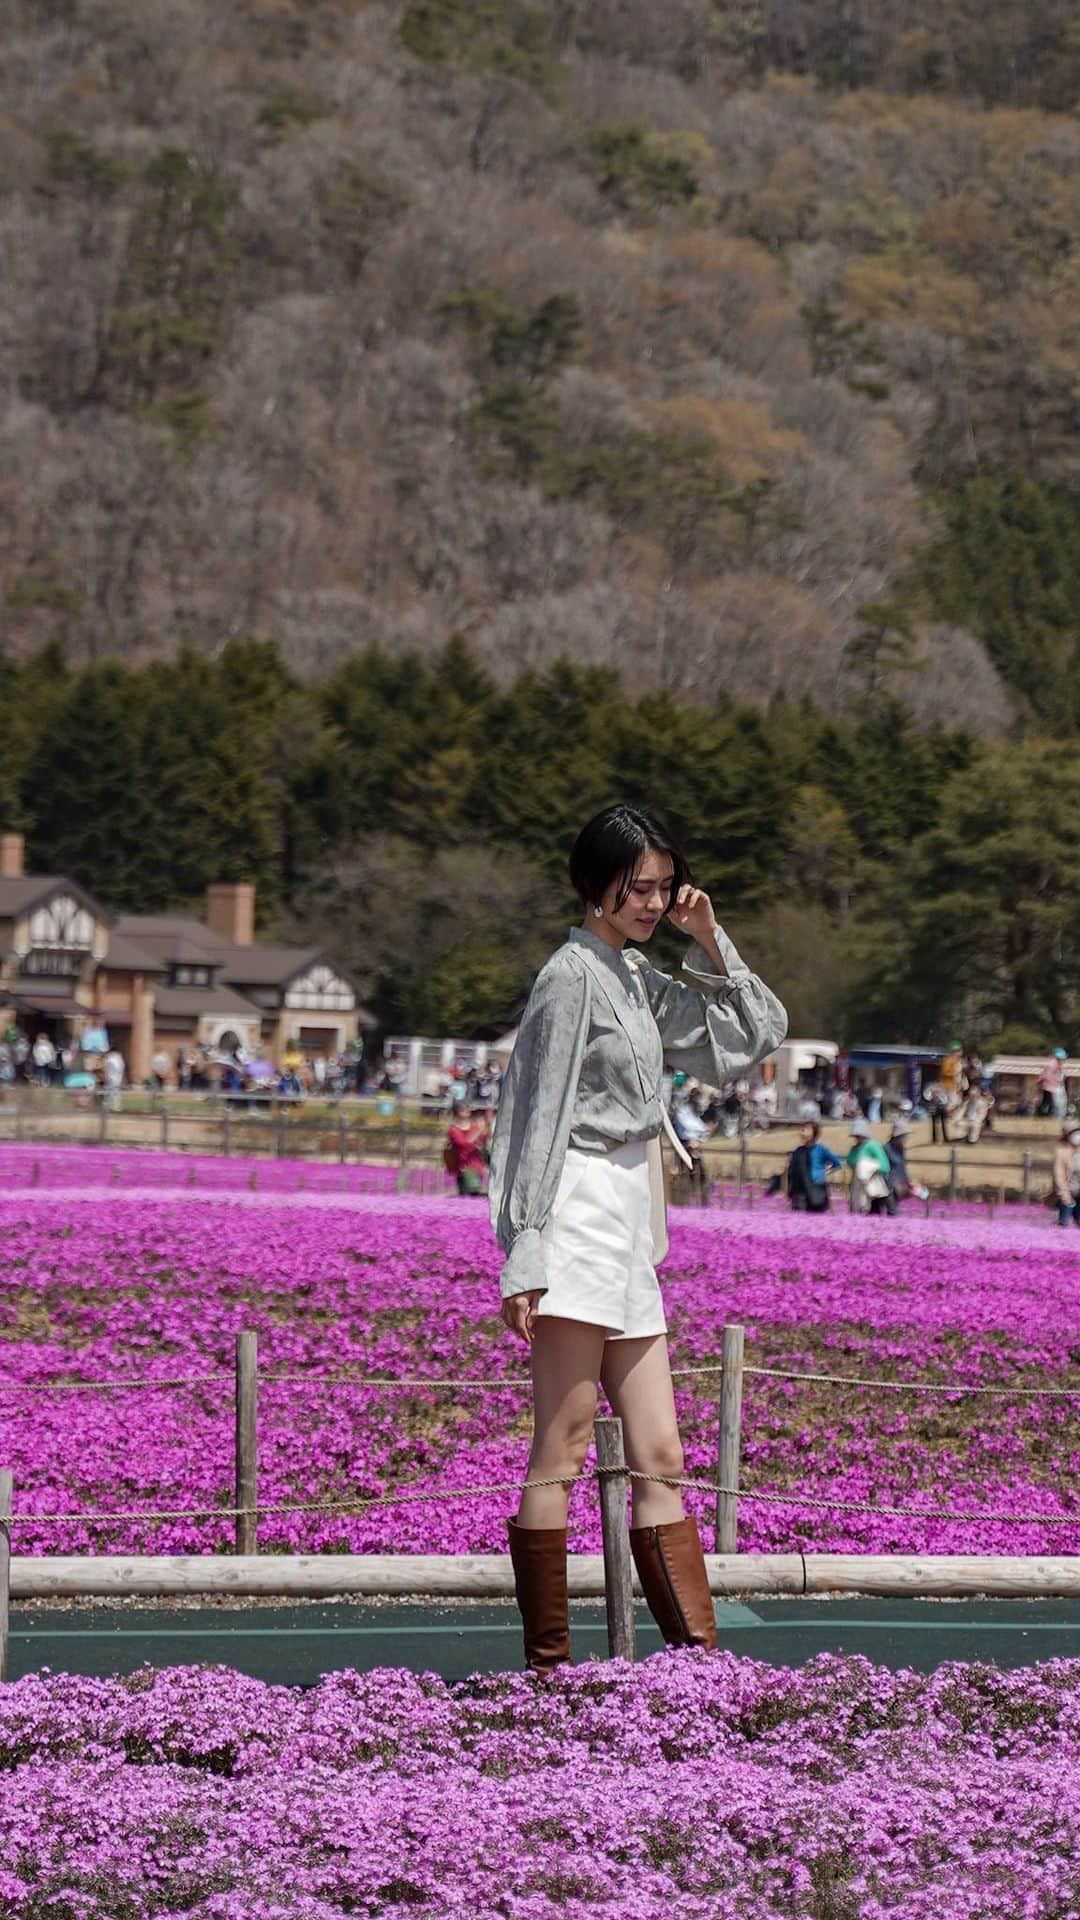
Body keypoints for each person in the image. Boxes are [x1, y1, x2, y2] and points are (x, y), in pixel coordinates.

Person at [489, 801, 787, 1673]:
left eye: (662, 888)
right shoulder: (570, 976)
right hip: (577, 1204)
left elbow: (752, 1035)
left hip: (627, 1211)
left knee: (661, 1451)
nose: (652, 903)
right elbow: (535, 1117)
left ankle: (697, 1671)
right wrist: (527, 1247)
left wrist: (710, 936)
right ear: (594, 883)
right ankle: (548, 1669)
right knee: (567, 1443)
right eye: (636, 888)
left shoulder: (634, 973)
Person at [786, 1121, 842, 1212]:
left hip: (816, 1189)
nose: (803, 1132)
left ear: (814, 1133)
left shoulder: (821, 1149)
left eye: (807, 1129)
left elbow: (837, 1162)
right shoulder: (798, 1151)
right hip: (800, 1190)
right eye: (803, 1129)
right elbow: (792, 1171)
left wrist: (825, 1172)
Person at [846, 1117, 896, 1216]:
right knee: (859, 1209)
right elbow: (849, 1161)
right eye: (856, 1135)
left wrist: (868, 1168)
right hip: (858, 1186)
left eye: (859, 1135)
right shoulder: (855, 1148)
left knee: (873, 1212)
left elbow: (885, 1166)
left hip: (872, 1186)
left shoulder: (873, 1145)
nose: (857, 1138)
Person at [445, 1100, 490, 1197]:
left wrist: (485, 1128)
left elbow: (483, 1140)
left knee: (474, 1194)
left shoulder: (474, 1126)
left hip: (477, 1165)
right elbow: (463, 1144)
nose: (467, 1112)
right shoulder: (453, 1129)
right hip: (464, 1167)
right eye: (464, 1110)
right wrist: (479, 1130)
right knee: (468, 1193)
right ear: (457, 1112)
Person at [884, 1116, 928, 1203]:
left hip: (901, 1184)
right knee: (892, 1212)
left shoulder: (901, 1149)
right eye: (904, 1136)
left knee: (923, 1192)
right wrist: (893, 1181)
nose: (906, 1139)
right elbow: (884, 1169)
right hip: (889, 1186)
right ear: (897, 1136)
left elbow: (902, 1168)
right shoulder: (886, 1149)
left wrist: (910, 1181)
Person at [1051, 1125, 1080, 1227]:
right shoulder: (1061, 1151)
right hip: (1067, 1189)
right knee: (1063, 1221)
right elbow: (1059, 1174)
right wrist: (1064, 1192)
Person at [1039, 1048, 1069, 1121]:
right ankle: (1050, 1117)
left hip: (1049, 1087)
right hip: (1051, 1087)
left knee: (1047, 1103)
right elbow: (1048, 1076)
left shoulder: (1053, 1063)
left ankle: (1046, 1117)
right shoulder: (1053, 1064)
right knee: (1052, 1104)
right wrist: (1054, 1084)